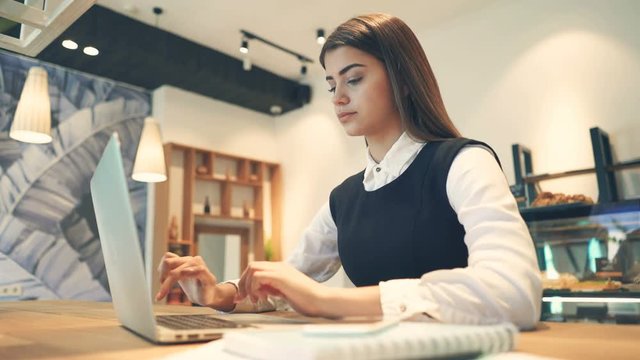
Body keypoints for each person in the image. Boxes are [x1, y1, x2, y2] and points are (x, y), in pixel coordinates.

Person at [155, 13, 542, 329]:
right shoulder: (345, 199)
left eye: (354, 79)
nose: (338, 97)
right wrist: (217, 294)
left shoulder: (462, 163)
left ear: (404, 80)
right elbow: (281, 285)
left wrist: (326, 301)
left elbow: (515, 292)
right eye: (331, 84)